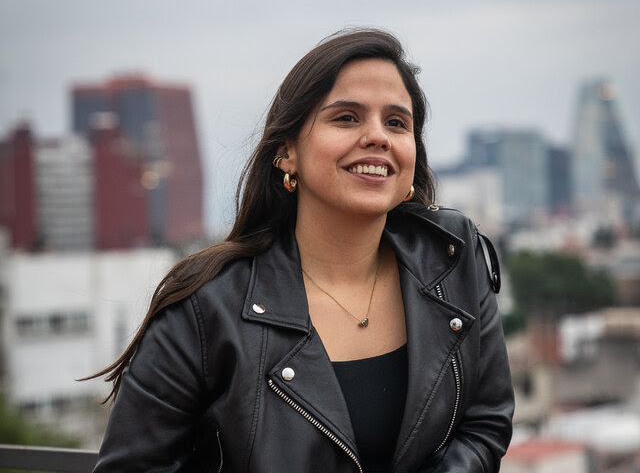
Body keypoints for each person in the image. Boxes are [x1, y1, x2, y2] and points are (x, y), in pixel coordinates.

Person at [90, 28, 514, 472]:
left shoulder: (452, 259)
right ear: (286, 151)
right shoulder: (204, 308)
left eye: (396, 122)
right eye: (347, 117)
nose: (377, 136)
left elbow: (484, 422)